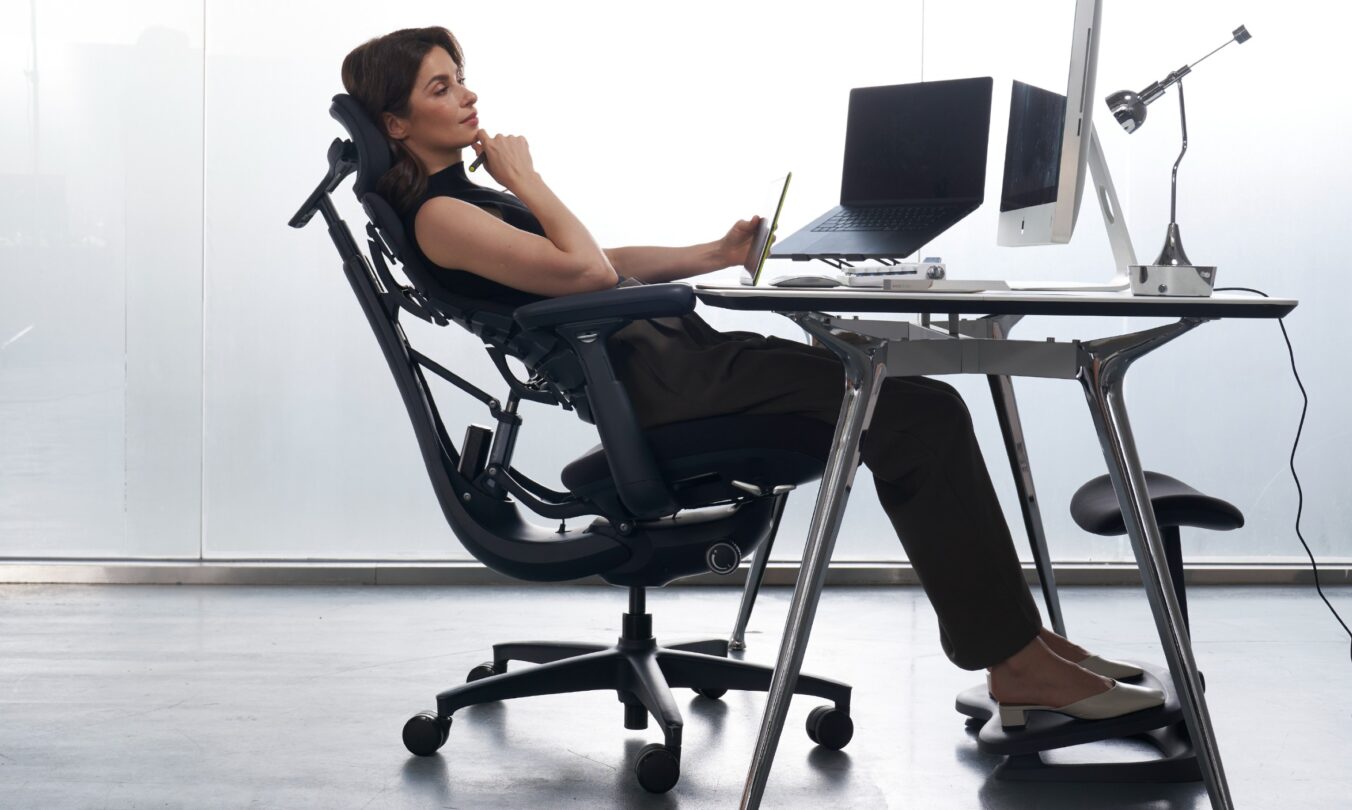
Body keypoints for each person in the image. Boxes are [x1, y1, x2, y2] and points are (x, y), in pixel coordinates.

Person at [340, 26, 1164, 727]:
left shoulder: (461, 203)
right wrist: (527, 178)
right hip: (672, 390)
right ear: (395, 123)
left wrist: (716, 252)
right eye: (441, 88)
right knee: (920, 413)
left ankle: (1023, 644)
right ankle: (1014, 663)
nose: (468, 96)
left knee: (915, 404)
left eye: (461, 78)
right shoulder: (443, 215)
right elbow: (585, 273)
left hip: (680, 371)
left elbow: (592, 264)